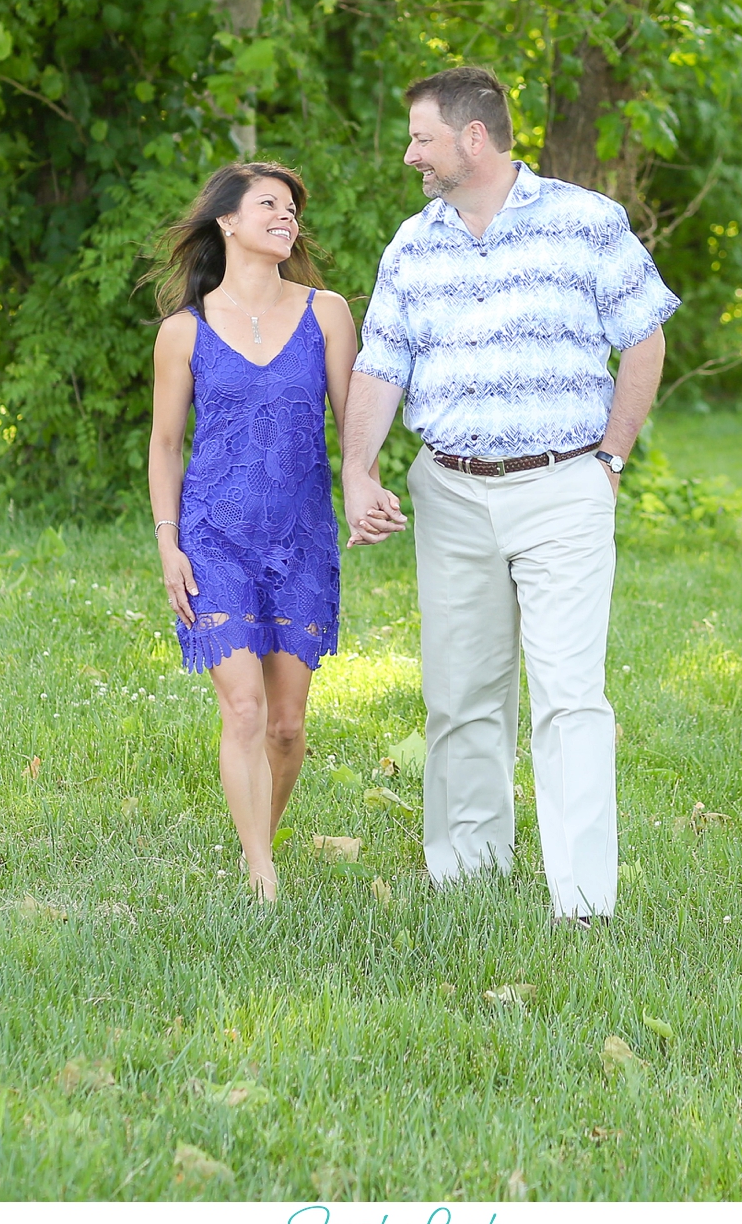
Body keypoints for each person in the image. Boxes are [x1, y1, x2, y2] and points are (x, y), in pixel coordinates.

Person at [342, 67, 679, 927]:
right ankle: (467, 880)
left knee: (570, 694)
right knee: (460, 693)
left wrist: (610, 459)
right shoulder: (412, 245)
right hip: (451, 490)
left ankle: (583, 902)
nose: (410, 152)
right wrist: (359, 470)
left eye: (421, 135)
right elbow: (381, 365)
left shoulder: (584, 221)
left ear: (473, 138)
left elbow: (645, 336)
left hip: (564, 482)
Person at [148, 162, 388, 903]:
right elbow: (164, 445)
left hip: (301, 536)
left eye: (291, 209)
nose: (287, 217)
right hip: (214, 537)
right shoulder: (182, 332)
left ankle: (263, 834)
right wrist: (168, 543)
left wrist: (364, 483)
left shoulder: (328, 312)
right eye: (269, 205)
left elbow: (354, 425)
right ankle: (261, 871)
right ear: (227, 221)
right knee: (245, 708)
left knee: (285, 725)